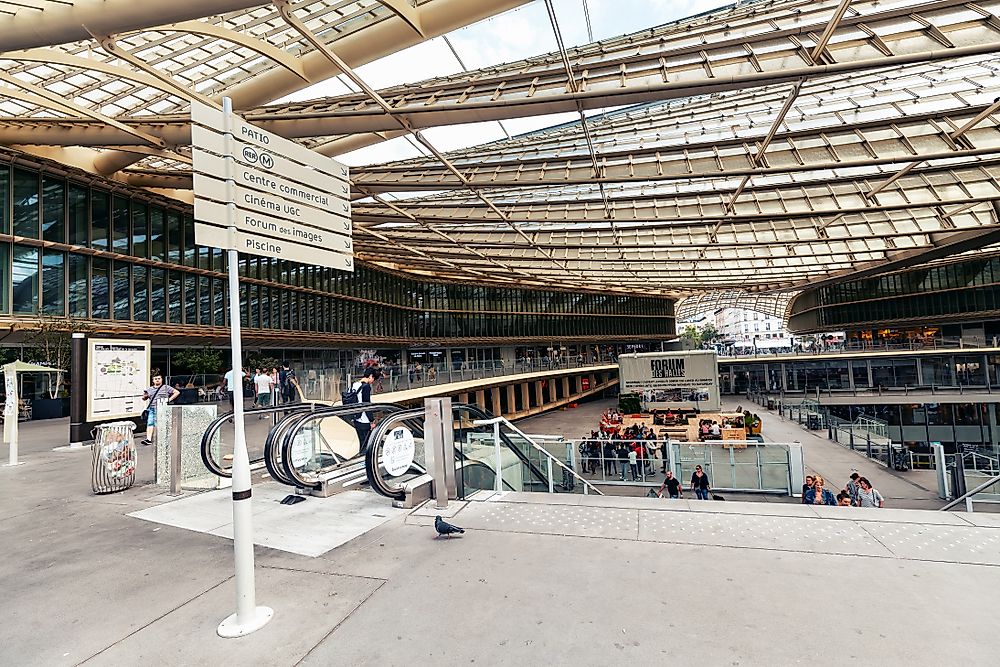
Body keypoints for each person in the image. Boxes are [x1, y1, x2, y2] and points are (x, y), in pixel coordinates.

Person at [141, 373, 179, 446]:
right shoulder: (149, 389)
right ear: (153, 381)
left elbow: (177, 392)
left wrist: (169, 399)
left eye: (159, 379)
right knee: (150, 423)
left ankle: (164, 439)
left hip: (162, 409)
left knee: (162, 424)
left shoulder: (166, 387)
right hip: (152, 409)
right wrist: (145, 396)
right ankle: (148, 439)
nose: (157, 380)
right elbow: (144, 398)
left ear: (161, 379)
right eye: (155, 379)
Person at [348, 367, 380, 451]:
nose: (373, 381)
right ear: (370, 376)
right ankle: (365, 462)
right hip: (364, 420)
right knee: (367, 445)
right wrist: (372, 421)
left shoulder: (355, 384)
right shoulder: (366, 387)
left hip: (356, 418)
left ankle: (361, 461)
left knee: (361, 443)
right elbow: (366, 405)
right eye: (373, 378)